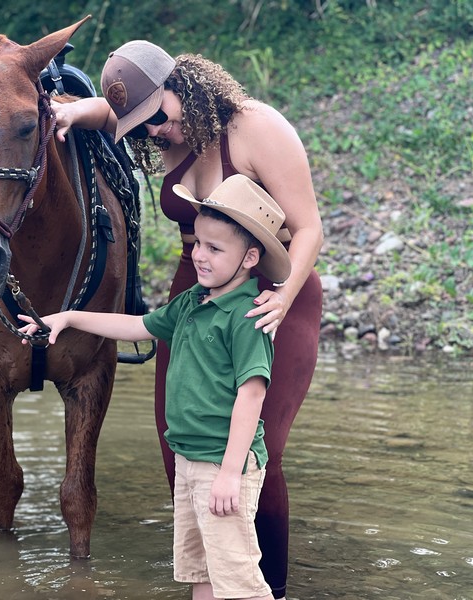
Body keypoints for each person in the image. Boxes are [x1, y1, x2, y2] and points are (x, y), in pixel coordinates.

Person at [53, 41, 323, 599]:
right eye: (140, 125)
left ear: (184, 89)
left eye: (156, 117)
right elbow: (121, 110)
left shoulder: (254, 127)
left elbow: (310, 227)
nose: (152, 132)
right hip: (194, 291)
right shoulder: (165, 119)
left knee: (255, 452)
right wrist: (78, 111)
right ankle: (210, 582)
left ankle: (267, 587)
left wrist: (283, 297)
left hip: (269, 293)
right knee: (181, 443)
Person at [20, 174, 290, 600]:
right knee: (200, 572)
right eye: (198, 243)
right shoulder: (191, 301)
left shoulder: (248, 316)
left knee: (239, 582)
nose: (200, 256)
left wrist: (230, 474)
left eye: (215, 249)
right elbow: (137, 326)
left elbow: (252, 394)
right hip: (188, 458)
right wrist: (68, 317)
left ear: (251, 257)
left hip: (222, 464)